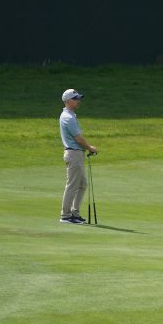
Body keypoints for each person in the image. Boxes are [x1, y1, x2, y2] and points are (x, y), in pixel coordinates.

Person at [58, 89, 97, 224]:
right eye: (76, 99)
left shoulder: (71, 115)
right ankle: (66, 215)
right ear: (68, 102)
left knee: (82, 184)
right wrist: (90, 148)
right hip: (73, 153)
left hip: (76, 154)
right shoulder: (68, 117)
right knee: (72, 185)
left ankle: (74, 212)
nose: (78, 101)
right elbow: (79, 139)